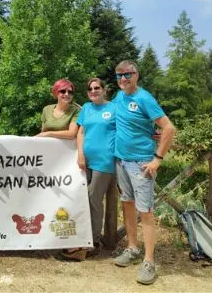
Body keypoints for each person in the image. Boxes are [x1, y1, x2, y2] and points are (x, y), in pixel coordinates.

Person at [110, 60, 176, 285]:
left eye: (127, 74)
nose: (123, 79)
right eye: (119, 76)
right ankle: (132, 248)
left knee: (145, 212)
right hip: (121, 161)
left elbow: (168, 128)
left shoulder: (145, 98)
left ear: (136, 75)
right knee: (127, 205)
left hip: (141, 164)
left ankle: (149, 261)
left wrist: (157, 159)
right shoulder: (120, 97)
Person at [59, 76, 117, 262]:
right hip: (86, 160)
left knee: (93, 198)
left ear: (104, 89)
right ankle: (84, 237)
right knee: (83, 198)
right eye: (90, 89)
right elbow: (81, 132)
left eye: (97, 88)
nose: (93, 91)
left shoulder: (113, 108)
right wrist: (81, 155)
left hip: (105, 161)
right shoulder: (86, 108)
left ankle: (93, 241)